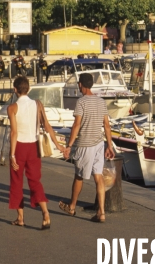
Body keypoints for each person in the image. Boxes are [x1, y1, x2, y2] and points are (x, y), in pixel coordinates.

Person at [8, 75, 65, 229]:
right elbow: (47, 126)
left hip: (19, 147)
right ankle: (45, 212)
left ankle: (20, 218)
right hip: (34, 147)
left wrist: (12, 155)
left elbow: (14, 133)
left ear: (15, 90)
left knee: (16, 182)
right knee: (35, 181)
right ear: (29, 89)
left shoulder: (12, 108)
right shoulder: (38, 104)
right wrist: (59, 146)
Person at [59, 73, 115, 223]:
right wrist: (109, 145)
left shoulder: (81, 102)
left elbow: (76, 125)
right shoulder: (101, 101)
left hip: (85, 144)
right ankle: (101, 212)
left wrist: (69, 145)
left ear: (80, 84)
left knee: (79, 176)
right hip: (99, 144)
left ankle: (72, 207)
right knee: (98, 177)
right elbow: (107, 125)